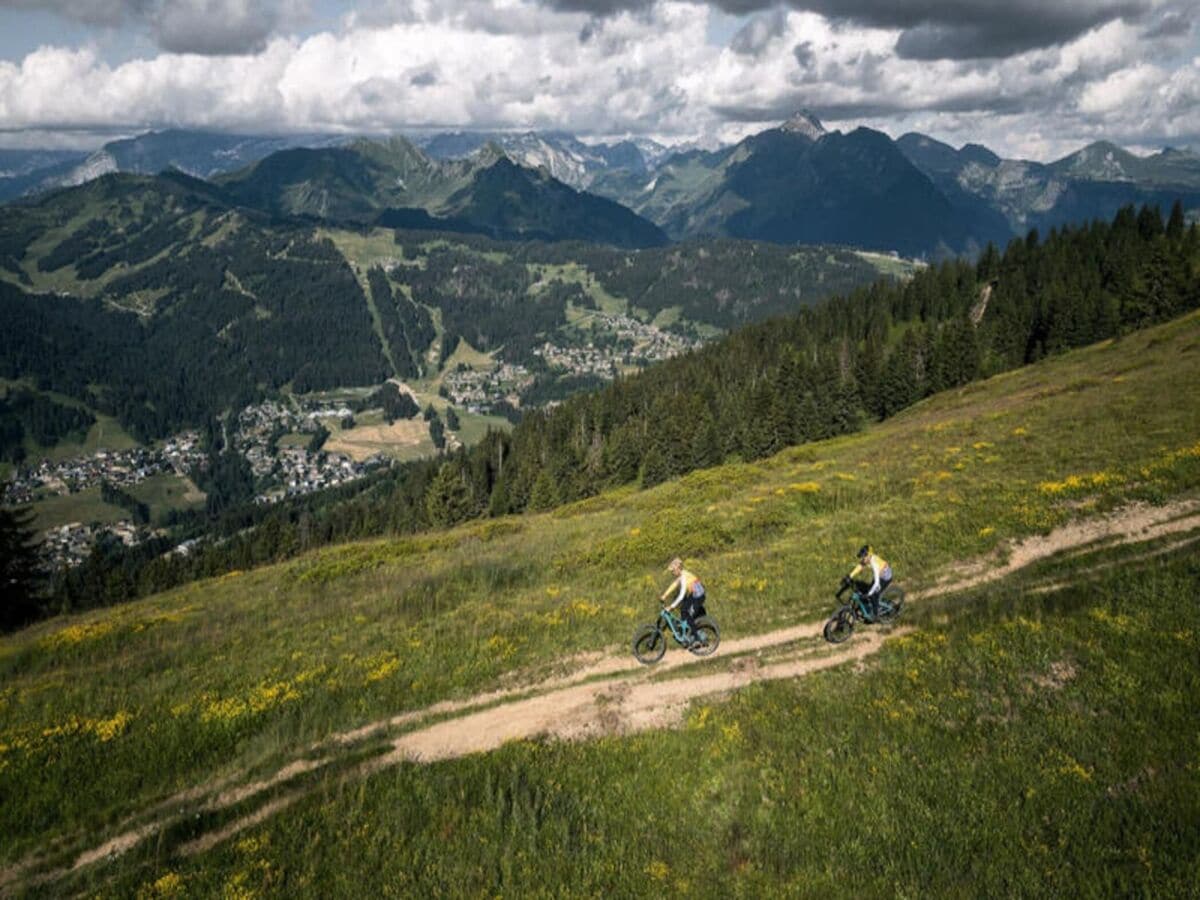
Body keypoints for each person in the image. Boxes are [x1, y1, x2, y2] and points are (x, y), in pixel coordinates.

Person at [661, 557, 706, 644]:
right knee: (683, 609)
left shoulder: (684, 576)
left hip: (699, 596)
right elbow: (674, 584)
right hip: (694, 594)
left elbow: (681, 596)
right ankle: (686, 632)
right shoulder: (682, 575)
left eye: (673, 571)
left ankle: (697, 638)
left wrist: (671, 607)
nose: (672, 573)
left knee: (688, 615)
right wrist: (665, 595)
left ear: (678, 569)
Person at [848, 544, 892, 620]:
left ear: (869, 555)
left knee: (874, 594)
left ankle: (876, 614)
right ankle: (870, 603)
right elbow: (860, 566)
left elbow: (877, 583)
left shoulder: (874, 564)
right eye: (862, 557)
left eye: (863, 557)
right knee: (869, 590)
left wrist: (869, 594)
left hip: (885, 577)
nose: (862, 559)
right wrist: (850, 576)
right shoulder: (868, 558)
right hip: (879, 574)